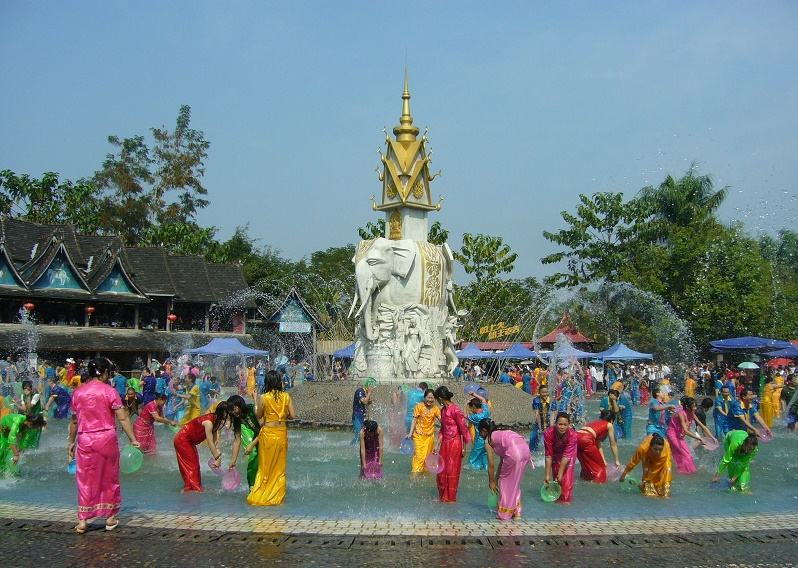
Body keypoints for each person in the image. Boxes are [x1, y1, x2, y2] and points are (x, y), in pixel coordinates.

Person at [68, 357, 139, 533]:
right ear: (105, 372)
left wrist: (71, 442)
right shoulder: (109, 391)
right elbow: (122, 417)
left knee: (84, 479)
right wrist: (133, 439)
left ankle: (83, 521)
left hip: (85, 440)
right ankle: (110, 518)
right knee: (109, 478)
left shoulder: (78, 392)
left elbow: (74, 421)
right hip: (106, 439)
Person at [246, 371, 296, 506]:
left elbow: (258, 415)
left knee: (266, 466)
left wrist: (255, 399)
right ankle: (277, 496)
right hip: (281, 434)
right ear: (279, 381)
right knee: (279, 467)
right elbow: (292, 415)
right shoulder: (286, 396)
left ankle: (262, 494)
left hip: (268, 434)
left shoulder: (264, 397)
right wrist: (282, 414)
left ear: (267, 382)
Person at [174, 401, 241, 493]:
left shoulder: (216, 421)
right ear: (224, 413)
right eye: (228, 414)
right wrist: (217, 457)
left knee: (195, 466)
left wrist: (217, 457)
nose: (230, 416)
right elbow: (209, 442)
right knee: (192, 466)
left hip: (189, 442)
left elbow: (214, 442)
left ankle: (192, 487)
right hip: (182, 440)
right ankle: (193, 489)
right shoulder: (209, 423)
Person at [479, 418, 531, 521]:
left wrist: (491, 482)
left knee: (505, 483)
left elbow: (491, 464)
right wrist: (496, 479)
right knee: (514, 483)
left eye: (480, 432)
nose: (480, 435)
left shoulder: (488, 440)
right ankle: (516, 512)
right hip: (525, 451)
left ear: (484, 431)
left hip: (514, 453)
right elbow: (503, 461)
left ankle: (504, 514)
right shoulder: (501, 432)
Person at [433, 386, 471, 502]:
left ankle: (451, 498)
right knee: (441, 471)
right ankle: (443, 497)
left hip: (455, 444)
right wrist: (437, 445)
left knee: (452, 470)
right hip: (444, 444)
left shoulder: (455, 410)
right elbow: (442, 430)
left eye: (436, 399)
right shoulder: (442, 410)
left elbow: (464, 430)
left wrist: (464, 448)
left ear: (440, 398)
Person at [667, 396, 716, 475]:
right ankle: (683, 472)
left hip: (680, 437)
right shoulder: (681, 413)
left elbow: (703, 426)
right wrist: (699, 438)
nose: (695, 408)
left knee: (688, 455)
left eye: (695, 405)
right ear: (687, 406)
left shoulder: (692, 413)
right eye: (694, 406)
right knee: (685, 455)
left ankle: (688, 471)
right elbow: (686, 431)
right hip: (673, 435)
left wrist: (713, 438)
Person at [619, 433, 672, 497]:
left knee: (664, 488)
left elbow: (668, 464)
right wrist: (624, 474)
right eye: (655, 449)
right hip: (648, 458)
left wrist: (666, 483)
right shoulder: (643, 449)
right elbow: (633, 462)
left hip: (662, 461)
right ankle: (643, 486)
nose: (658, 452)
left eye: (660, 450)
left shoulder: (665, 447)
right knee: (648, 485)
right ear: (650, 446)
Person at [576, 409, 621, 483]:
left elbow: (597, 444)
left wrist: (603, 461)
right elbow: (613, 444)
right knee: (601, 469)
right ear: (612, 420)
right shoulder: (609, 424)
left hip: (576, 437)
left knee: (586, 466)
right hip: (586, 439)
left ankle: (584, 481)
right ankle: (597, 485)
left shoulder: (594, 423)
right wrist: (617, 460)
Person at [543, 412, 578, 504]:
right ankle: (557, 498)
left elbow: (566, 456)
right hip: (555, 453)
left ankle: (566, 502)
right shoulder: (548, 433)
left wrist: (561, 473)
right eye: (560, 424)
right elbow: (548, 455)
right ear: (555, 424)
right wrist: (547, 475)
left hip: (569, 454)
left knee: (566, 479)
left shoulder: (573, 435)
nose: (562, 427)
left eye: (565, 425)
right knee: (556, 477)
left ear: (569, 425)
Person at [406, 388, 440, 475]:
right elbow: (414, 420)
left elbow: (442, 421)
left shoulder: (436, 409)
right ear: (424, 397)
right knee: (419, 456)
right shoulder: (419, 406)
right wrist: (410, 433)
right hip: (418, 436)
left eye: (432, 398)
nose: (430, 400)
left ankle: (424, 474)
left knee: (427, 457)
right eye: (428, 397)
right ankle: (415, 474)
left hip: (429, 437)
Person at [466, 396, 491, 470]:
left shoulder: (476, 417)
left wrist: (465, 405)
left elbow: (465, 416)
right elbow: (483, 399)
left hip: (480, 440)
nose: (470, 410)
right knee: (484, 456)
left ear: (473, 406)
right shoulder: (486, 411)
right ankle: (485, 470)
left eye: (470, 408)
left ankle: (471, 472)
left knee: (473, 458)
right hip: (489, 440)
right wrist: (474, 394)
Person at [17, 380, 43, 449]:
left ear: (31, 389)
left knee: (35, 436)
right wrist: (16, 404)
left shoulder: (36, 395)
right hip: (29, 417)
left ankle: (34, 452)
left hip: (37, 418)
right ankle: (23, 450)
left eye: (28, 388)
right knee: (25, 434)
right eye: (24, 388)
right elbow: (24, 409)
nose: (26, 390)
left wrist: (28, 396)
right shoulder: (22, 395)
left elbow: (29, 406)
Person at [529, 385, 552, 452]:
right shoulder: (536, 400)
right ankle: (531, 452)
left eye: (546, 392)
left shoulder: (551, 400)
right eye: (543, 392)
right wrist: (540, 428)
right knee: (533, 437)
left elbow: (553, 414)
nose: (545, 394)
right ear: (539, 392)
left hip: (548, 422)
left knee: (549, 439)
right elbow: (537, 414)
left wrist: (551, 426)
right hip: (538, 422)